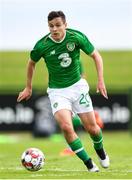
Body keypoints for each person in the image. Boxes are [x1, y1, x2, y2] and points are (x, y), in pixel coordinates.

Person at [17, 10, 110, 172]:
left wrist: (101, 80)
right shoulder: (42, 45)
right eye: (51, 26)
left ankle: (101, 153)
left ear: (65, 25)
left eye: (58, 25)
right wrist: (28, 87)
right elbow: (31, 63)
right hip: (57, 91)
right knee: (66, 127)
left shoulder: (76, 37)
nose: (54, 29)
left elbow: (96, 56)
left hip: (78, 87)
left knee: (93, 128)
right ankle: (89, 164)